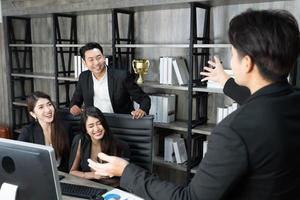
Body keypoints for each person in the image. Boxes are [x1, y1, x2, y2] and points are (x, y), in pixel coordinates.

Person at [88, 9, 300, 199]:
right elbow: (263, 102)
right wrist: (226, 81)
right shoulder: (290, 101)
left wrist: (126, 172)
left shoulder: (233, 131)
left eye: (233, 54)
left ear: (247, 63)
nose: (231, 60)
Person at [69, 42, 151, 119]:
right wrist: (74, 108)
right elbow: (75, 102)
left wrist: (142, 110)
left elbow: (144, 99)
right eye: (91, 60)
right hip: (95, 125)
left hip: (119, 124)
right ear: (85, 63)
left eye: (99, 57)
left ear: (104, 57)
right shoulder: (84, 77)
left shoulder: (121, 76)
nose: (96, 63)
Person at [69, 106, 130, 186]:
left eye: (99, 123)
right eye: (91, 126)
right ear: (86, 130)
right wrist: (93, 175)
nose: (96, 129)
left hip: (113, 189)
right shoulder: (80, 140)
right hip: (89, 186)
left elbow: (126, 176)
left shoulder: (119, 145)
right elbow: (72, 172)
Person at [18, 91, 71, 172]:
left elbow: (71, 160)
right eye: (41, 107)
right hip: (38, 174)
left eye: (49, 104)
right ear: (33, 114)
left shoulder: (65, 128)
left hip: (63, 176)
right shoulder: (28, 132)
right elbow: (20, 159)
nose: (48, 110)